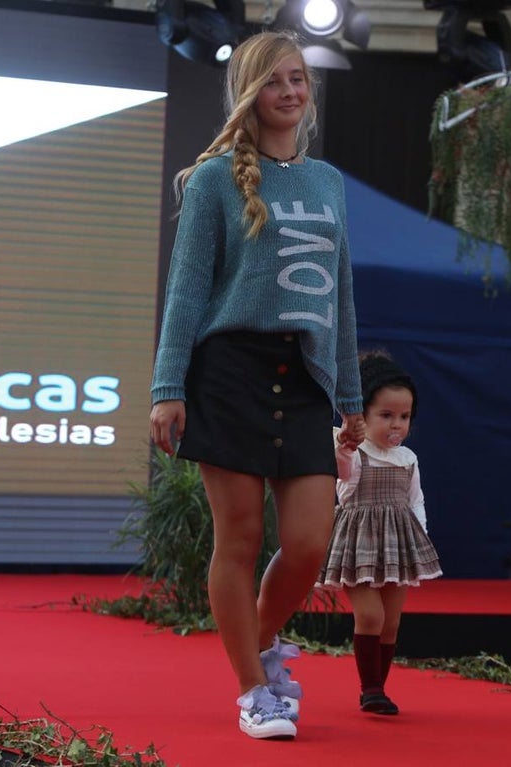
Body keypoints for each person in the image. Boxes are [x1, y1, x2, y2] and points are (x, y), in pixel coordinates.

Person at [148, 30, 364, 741]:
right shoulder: (212, 179)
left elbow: (342, 299)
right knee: (237, 539)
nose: (293, 92)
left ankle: (258, 644)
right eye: (277, 81)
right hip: (230, 371)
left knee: (309, 542)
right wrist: (167, 385)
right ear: (250, 92)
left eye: (300, 79)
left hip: (304, 376)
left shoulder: (327, 181)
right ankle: (253, 691)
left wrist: (352, 397)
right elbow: (185, 293)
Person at [317, 351, 443, 715]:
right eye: (386, 415)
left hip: (400, 541)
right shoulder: (354, 452)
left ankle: (379, 688)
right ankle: (370, 689)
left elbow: (415, 500)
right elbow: (342, 479)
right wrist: (344, 447)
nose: (396, 425)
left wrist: (419, 535)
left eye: (404, 417)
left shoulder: (408, 459)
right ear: (363, 416)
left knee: (391, 621)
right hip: (360, 542)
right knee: (370, 616)